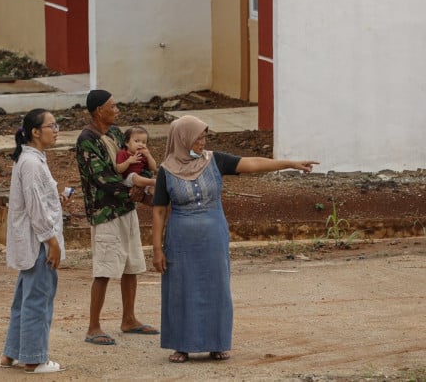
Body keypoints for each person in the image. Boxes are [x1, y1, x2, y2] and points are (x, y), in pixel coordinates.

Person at [152, 115, 318, 363]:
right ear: (183, 138)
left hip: (213, 236)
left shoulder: (214, 160)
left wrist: (290, 163)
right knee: (181, 289)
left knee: (216, 286)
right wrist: (157, 249)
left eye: (204, 136)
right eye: (198, 137)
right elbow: (159, 210)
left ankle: (217, 343)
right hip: (181, 241)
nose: (203, 141)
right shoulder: (166, 170)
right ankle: (182, 345)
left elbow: (251, 163)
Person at [75, 90, 158, 347]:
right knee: (104, 269)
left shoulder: (114, 133)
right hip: (105, 212)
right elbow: (100, 178)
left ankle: (129, 319)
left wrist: (139, 189)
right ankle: (93, 326)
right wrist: (136, 194)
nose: (118, 110)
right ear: (99, 110)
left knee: (131, 265)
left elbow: (132, 164)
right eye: (113, 106)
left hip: (124, 209)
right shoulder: (87, 140)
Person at [0, 108, 66, 374]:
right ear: (35, 132)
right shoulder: (30, 163)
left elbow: (39, 201)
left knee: (24, 299)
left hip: (32, 240)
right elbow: (35, 207)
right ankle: (34, 358)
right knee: (39, 299)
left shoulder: (32, 160)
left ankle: (12, 353)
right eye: (52, 125)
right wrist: (51, 241)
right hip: (38, 242)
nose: (56, 129)